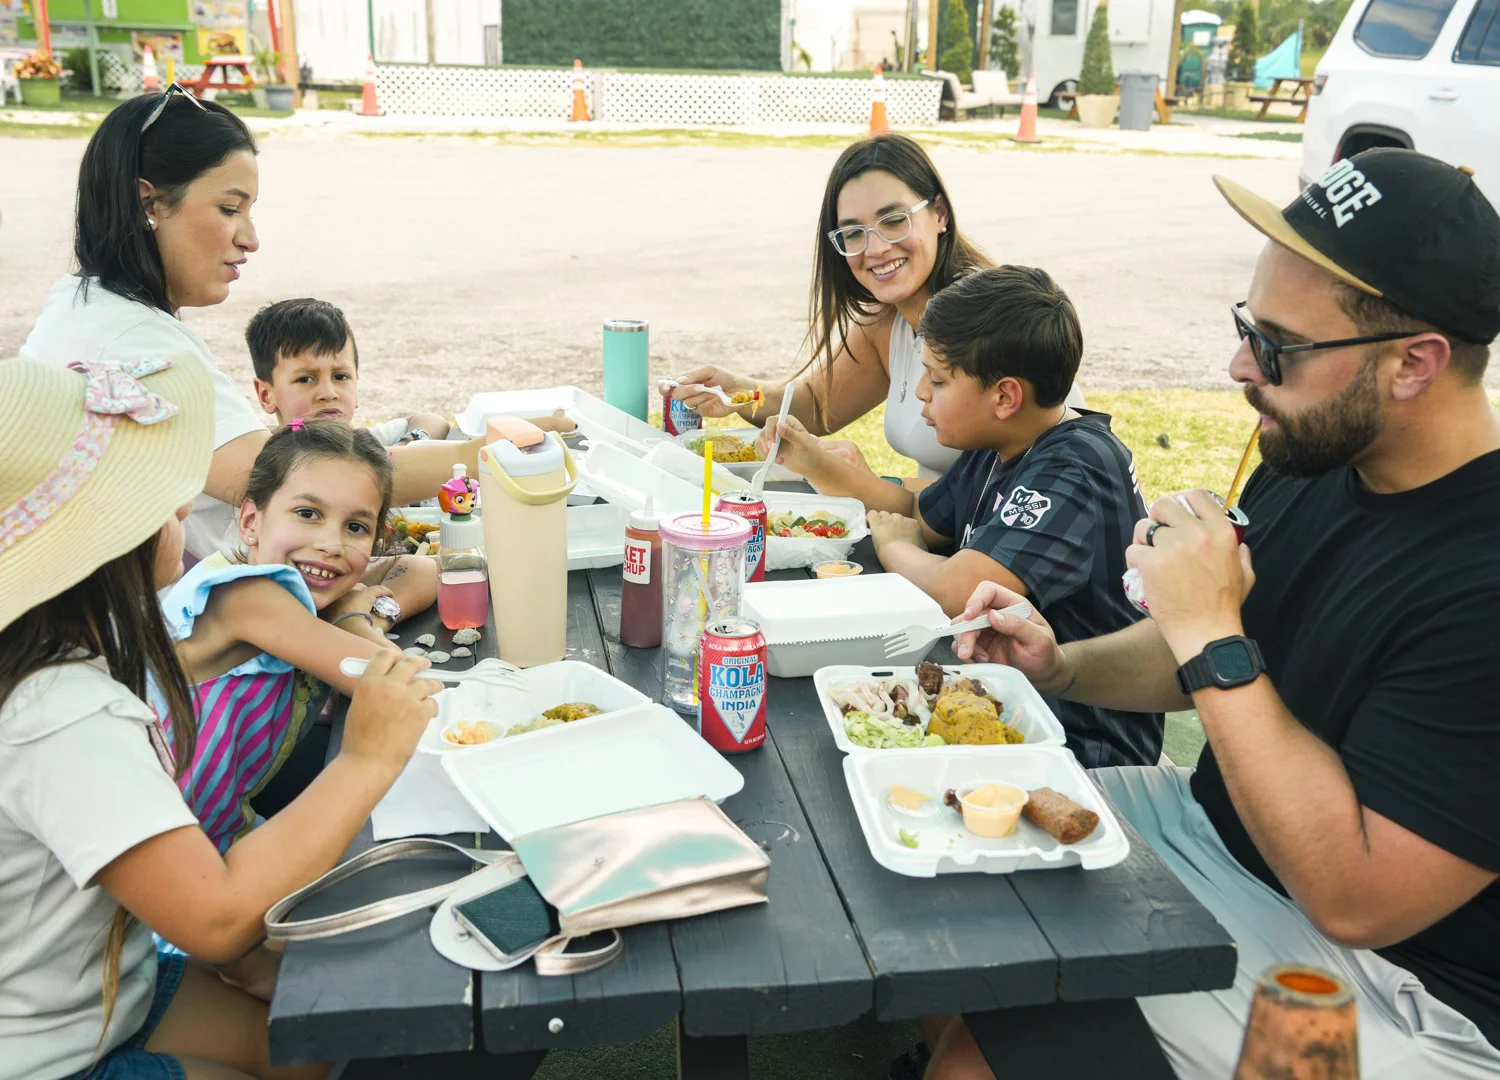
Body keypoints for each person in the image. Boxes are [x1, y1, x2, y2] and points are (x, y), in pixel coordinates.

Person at [926, 149, 1500, 1079]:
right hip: (1220, 833)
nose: (1240, 365)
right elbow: (1200, 657)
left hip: (1401, 984)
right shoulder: (1317, 449)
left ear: (1414, 364)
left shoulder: (1481, 577)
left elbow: (1356, 894)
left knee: (980, 1046)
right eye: (1247, 326)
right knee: (956, 854)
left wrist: (1212, 632)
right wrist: (1064, 665)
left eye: (1275, 346)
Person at [0, 354, 439, 1080]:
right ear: (106, 533)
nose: (182, 511)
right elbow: (214, 919)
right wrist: (364, 761)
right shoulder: (60, 714)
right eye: (162, 500)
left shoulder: (65, 658)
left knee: (314, 1051)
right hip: (47, 1055)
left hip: (107, 984)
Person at [20, 86, 489, 561]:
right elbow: (298, 481)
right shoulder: (130, 341)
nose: (251, 239)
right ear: (150, 204)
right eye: (229, 209)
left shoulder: (88, 305)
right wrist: (483, 457)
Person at [774, 266, 1159, 770]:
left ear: (1004, 396)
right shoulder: (1001, 442)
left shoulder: (1076, 466)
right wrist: (818, 464)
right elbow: (919, 513)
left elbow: (957, 588)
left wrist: (895, 551)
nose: (920, 394)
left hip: (1080, 744)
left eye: (937, 379)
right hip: (1009, 701)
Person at [664, 133, 1085, 487]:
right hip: (943, 543)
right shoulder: (888, 318)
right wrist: (737, 392)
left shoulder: (985, 319)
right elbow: (814, 405)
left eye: (894, 220)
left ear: (939, 214)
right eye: (853, 232)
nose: (876, 248)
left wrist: (868, 482)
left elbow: (1022, 488)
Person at [159, 420, 417, 855]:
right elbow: (395, 683)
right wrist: (352, 615)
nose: (330, 544)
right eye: (308, 514)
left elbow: (421, 571)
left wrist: (344, 608)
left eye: (356, 527)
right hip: (188, 866)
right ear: (250, 521)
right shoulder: (246, 596)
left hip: (228, 828)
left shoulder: (283, 584)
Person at [246, 297, 451, 446]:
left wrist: (407, 446)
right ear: (266, 396)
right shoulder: (260, 462)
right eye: (306, 379)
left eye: (340, 377)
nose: (328, 393)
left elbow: (435, 422)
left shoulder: (368, 445)